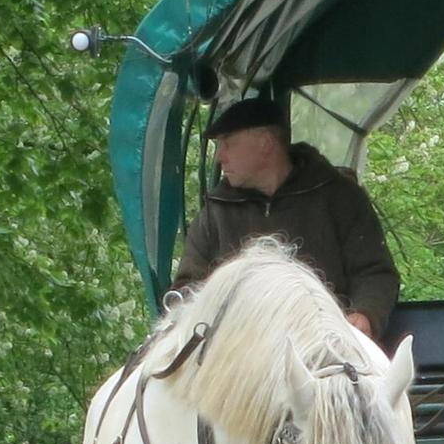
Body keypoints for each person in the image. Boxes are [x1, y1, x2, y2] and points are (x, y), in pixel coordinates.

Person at [171, 97, 399, 338]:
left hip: (327, 342)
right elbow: (188, 288)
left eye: (228, 143)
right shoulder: (216, 212)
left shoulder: (339, 196)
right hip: (242, 348)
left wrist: (365, 315)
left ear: (266, 143)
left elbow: (374, 272)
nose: (220, 157)